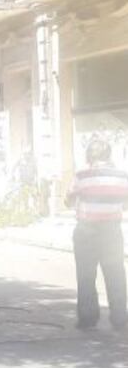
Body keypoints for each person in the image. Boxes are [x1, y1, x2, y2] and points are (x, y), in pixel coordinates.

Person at [65, 139, 128, 330]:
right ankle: (119, 318)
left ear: (89, 155)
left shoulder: (82, 175)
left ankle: (87, 318)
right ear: (109, 154)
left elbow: (68, 200)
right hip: (111, 231)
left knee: (85, 275)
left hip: (86, 231)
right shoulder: (122, 176)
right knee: (115, 273)